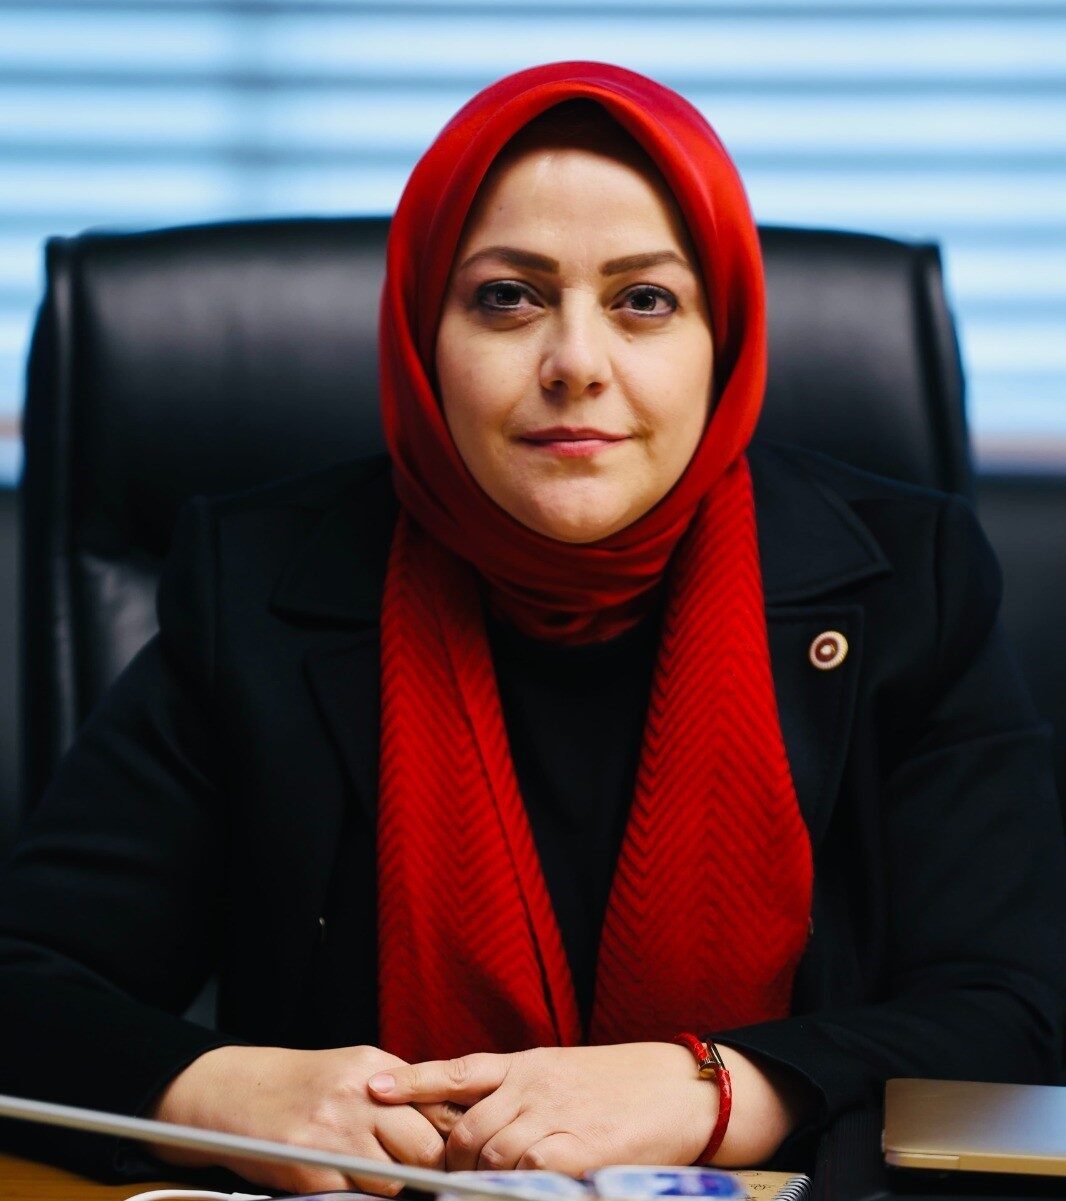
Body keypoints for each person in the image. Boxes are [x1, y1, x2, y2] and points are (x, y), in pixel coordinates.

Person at [0, 61, 1062, 1196]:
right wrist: (216, 1089)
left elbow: (1018, 1017)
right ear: (422, 329)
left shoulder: (907, 585)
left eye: (644, 300)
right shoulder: (256, 585)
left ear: (726, 334)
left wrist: (714, 1090)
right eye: (507, 296)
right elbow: (25, 983)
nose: (575, 364)